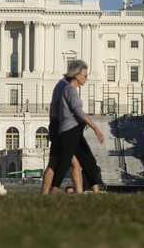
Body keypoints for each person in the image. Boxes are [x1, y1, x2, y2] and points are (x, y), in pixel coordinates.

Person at [48, 60, 105, 194]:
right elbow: (79, 112)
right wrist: (95, 127)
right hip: (70, 130)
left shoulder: (68, 89)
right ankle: (53, 190)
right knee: (66, 162)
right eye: (84, 75)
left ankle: (95, 192)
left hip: (72, 129)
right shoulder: (70, 91)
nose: (86, 78)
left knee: (88, 161)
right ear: (76, 75)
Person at [41, 77, 83, 194]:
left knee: (62, 163)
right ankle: (79, 193)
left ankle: (44, 194)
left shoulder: (62, 86)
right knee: (73, 163)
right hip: (64, 129)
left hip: (60, 128)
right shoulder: (66, 87)